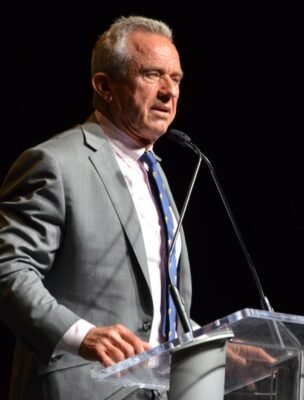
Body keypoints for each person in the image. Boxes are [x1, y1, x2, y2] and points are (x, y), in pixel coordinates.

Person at [0, 15, 191, 400]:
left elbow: (157, 314)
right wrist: (82, 336)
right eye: (152, 74)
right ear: (104, 86)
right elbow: (8, 270)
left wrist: (218, 349)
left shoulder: (156, 175)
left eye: (176, 78)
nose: (169, 91)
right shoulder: (55, 163)